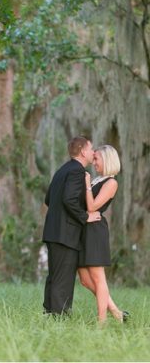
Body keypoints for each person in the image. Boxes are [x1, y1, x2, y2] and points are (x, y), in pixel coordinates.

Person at [42, 136, 101, 316]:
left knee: (54, 276)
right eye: (91, 149)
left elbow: (48, 199)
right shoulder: (77, 171)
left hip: (53, 232)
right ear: (83, 151)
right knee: (63, 278)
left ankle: (50, 314)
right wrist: (86, 217)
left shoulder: (62, 170)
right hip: (66, 234)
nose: (93, 153)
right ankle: (59, 318)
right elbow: (69, 200)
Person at [78, 145, 129, 323]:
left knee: (99, 279)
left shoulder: (111, 183)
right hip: (84, 229)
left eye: (97, 158)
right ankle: (116, 312)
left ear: (107, 160)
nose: (94, 161)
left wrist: (86, 184)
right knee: (84, 279)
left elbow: (92, 207)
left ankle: (102, 323)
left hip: (95, 232)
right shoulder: (98, 180)